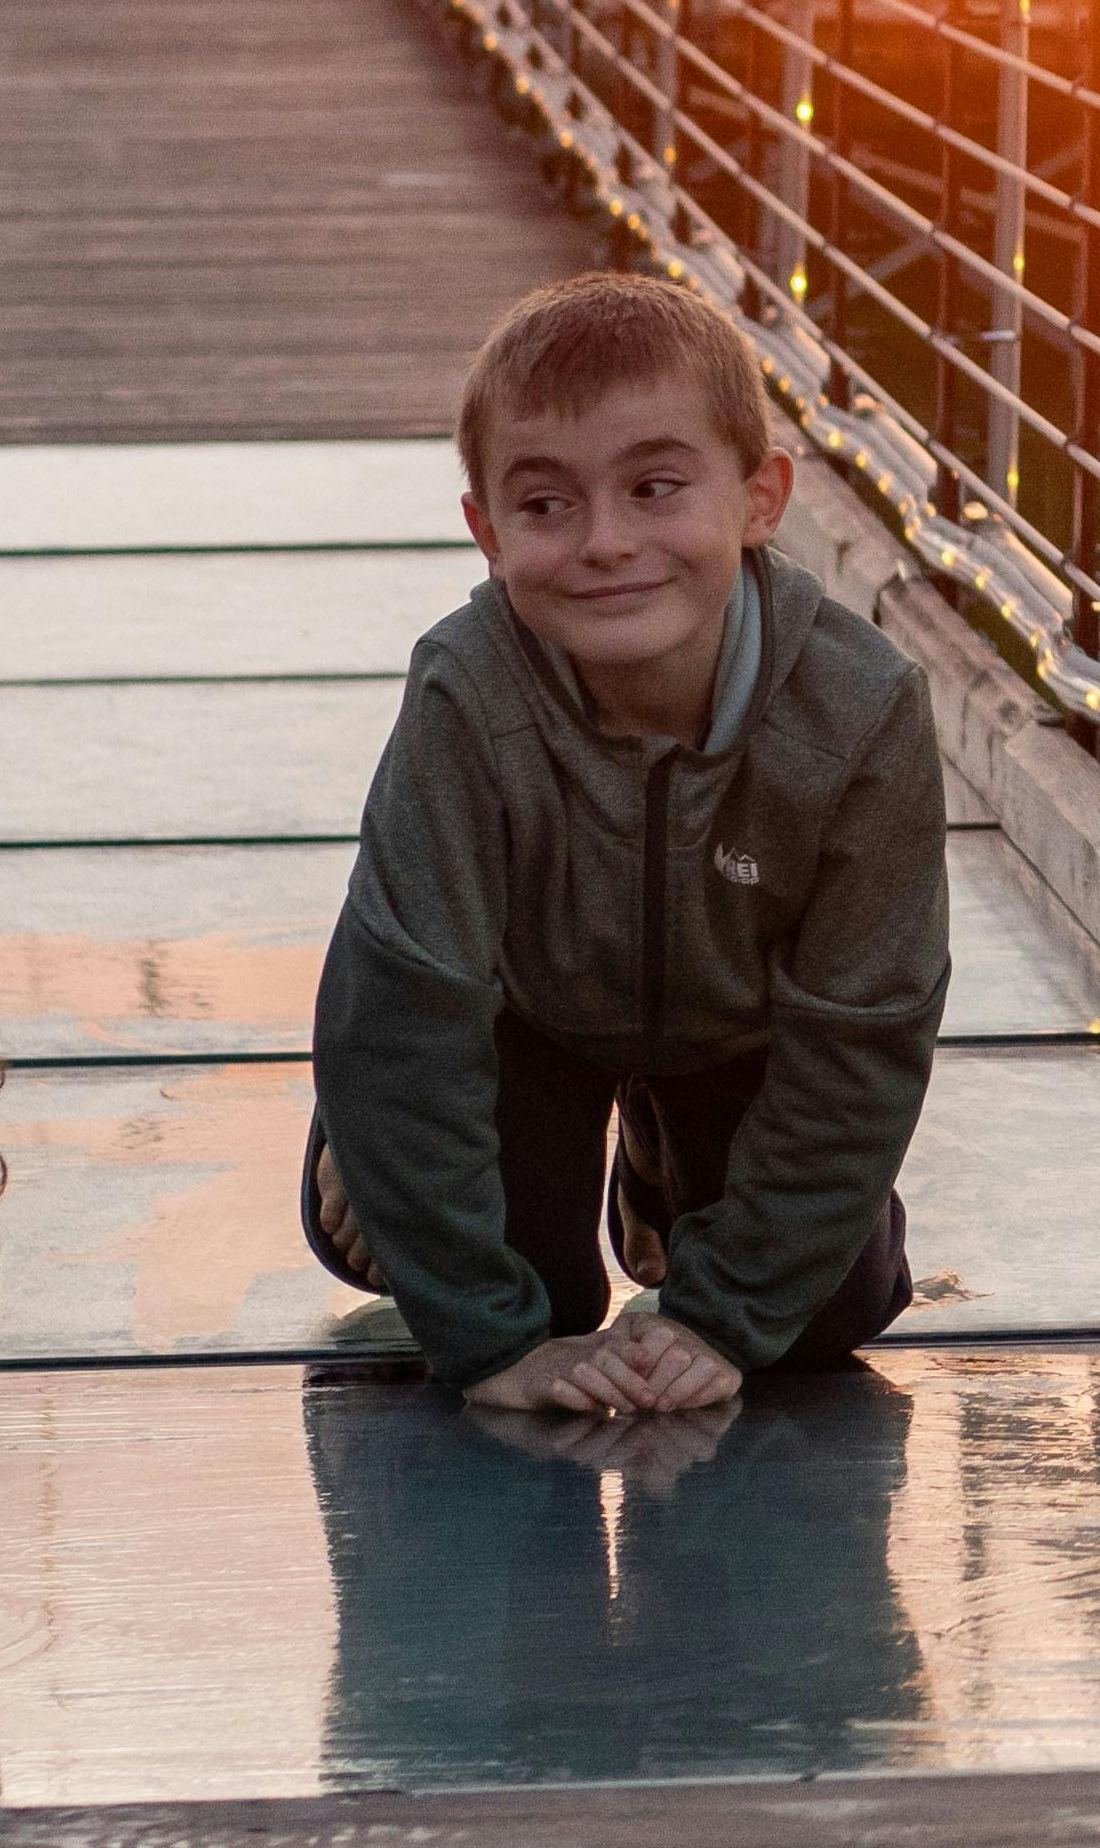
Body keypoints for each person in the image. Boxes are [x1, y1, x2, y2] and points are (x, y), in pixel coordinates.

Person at [304, 273, 943, 1420]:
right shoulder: (467, 691)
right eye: (547, 506)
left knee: (831, 1307)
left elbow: (864, 1039)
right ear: (487, 534)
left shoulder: (861, 712)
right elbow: (399, 1005)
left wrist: (724, 1316)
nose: (608, 543)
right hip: (523, 1013)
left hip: (741, 1027)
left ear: (760, 497)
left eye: (655, 488)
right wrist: (491, 1343)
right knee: (509, 1289)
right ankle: (367, 1140)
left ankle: (662, 1154)